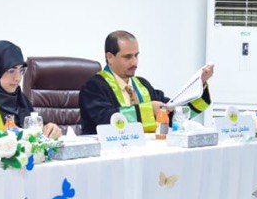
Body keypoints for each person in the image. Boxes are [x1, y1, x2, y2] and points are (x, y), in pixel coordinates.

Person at [78, 30, 213, 135]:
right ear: (110, 57)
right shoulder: (93, 87)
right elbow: (107, 120)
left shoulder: (142, 85)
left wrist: (199, 84)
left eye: (136, 55)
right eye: (128, 57)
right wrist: (149, 109)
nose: (134, 62)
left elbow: (172, 112)